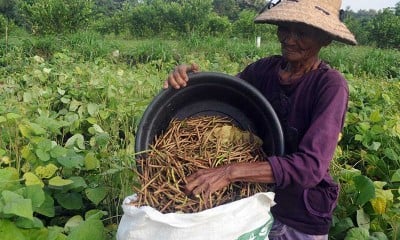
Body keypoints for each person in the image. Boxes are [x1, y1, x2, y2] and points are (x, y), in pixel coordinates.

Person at [163, 0, 357, 239]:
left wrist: (229, 172)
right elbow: (218, 96)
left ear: (325, 38)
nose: (288, 39)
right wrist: (187, 80)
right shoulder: (264, 70)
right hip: (251, 204)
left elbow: (310, 167)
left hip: (298, 216)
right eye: (284, 28)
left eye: (302, 32)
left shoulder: (329, 85)